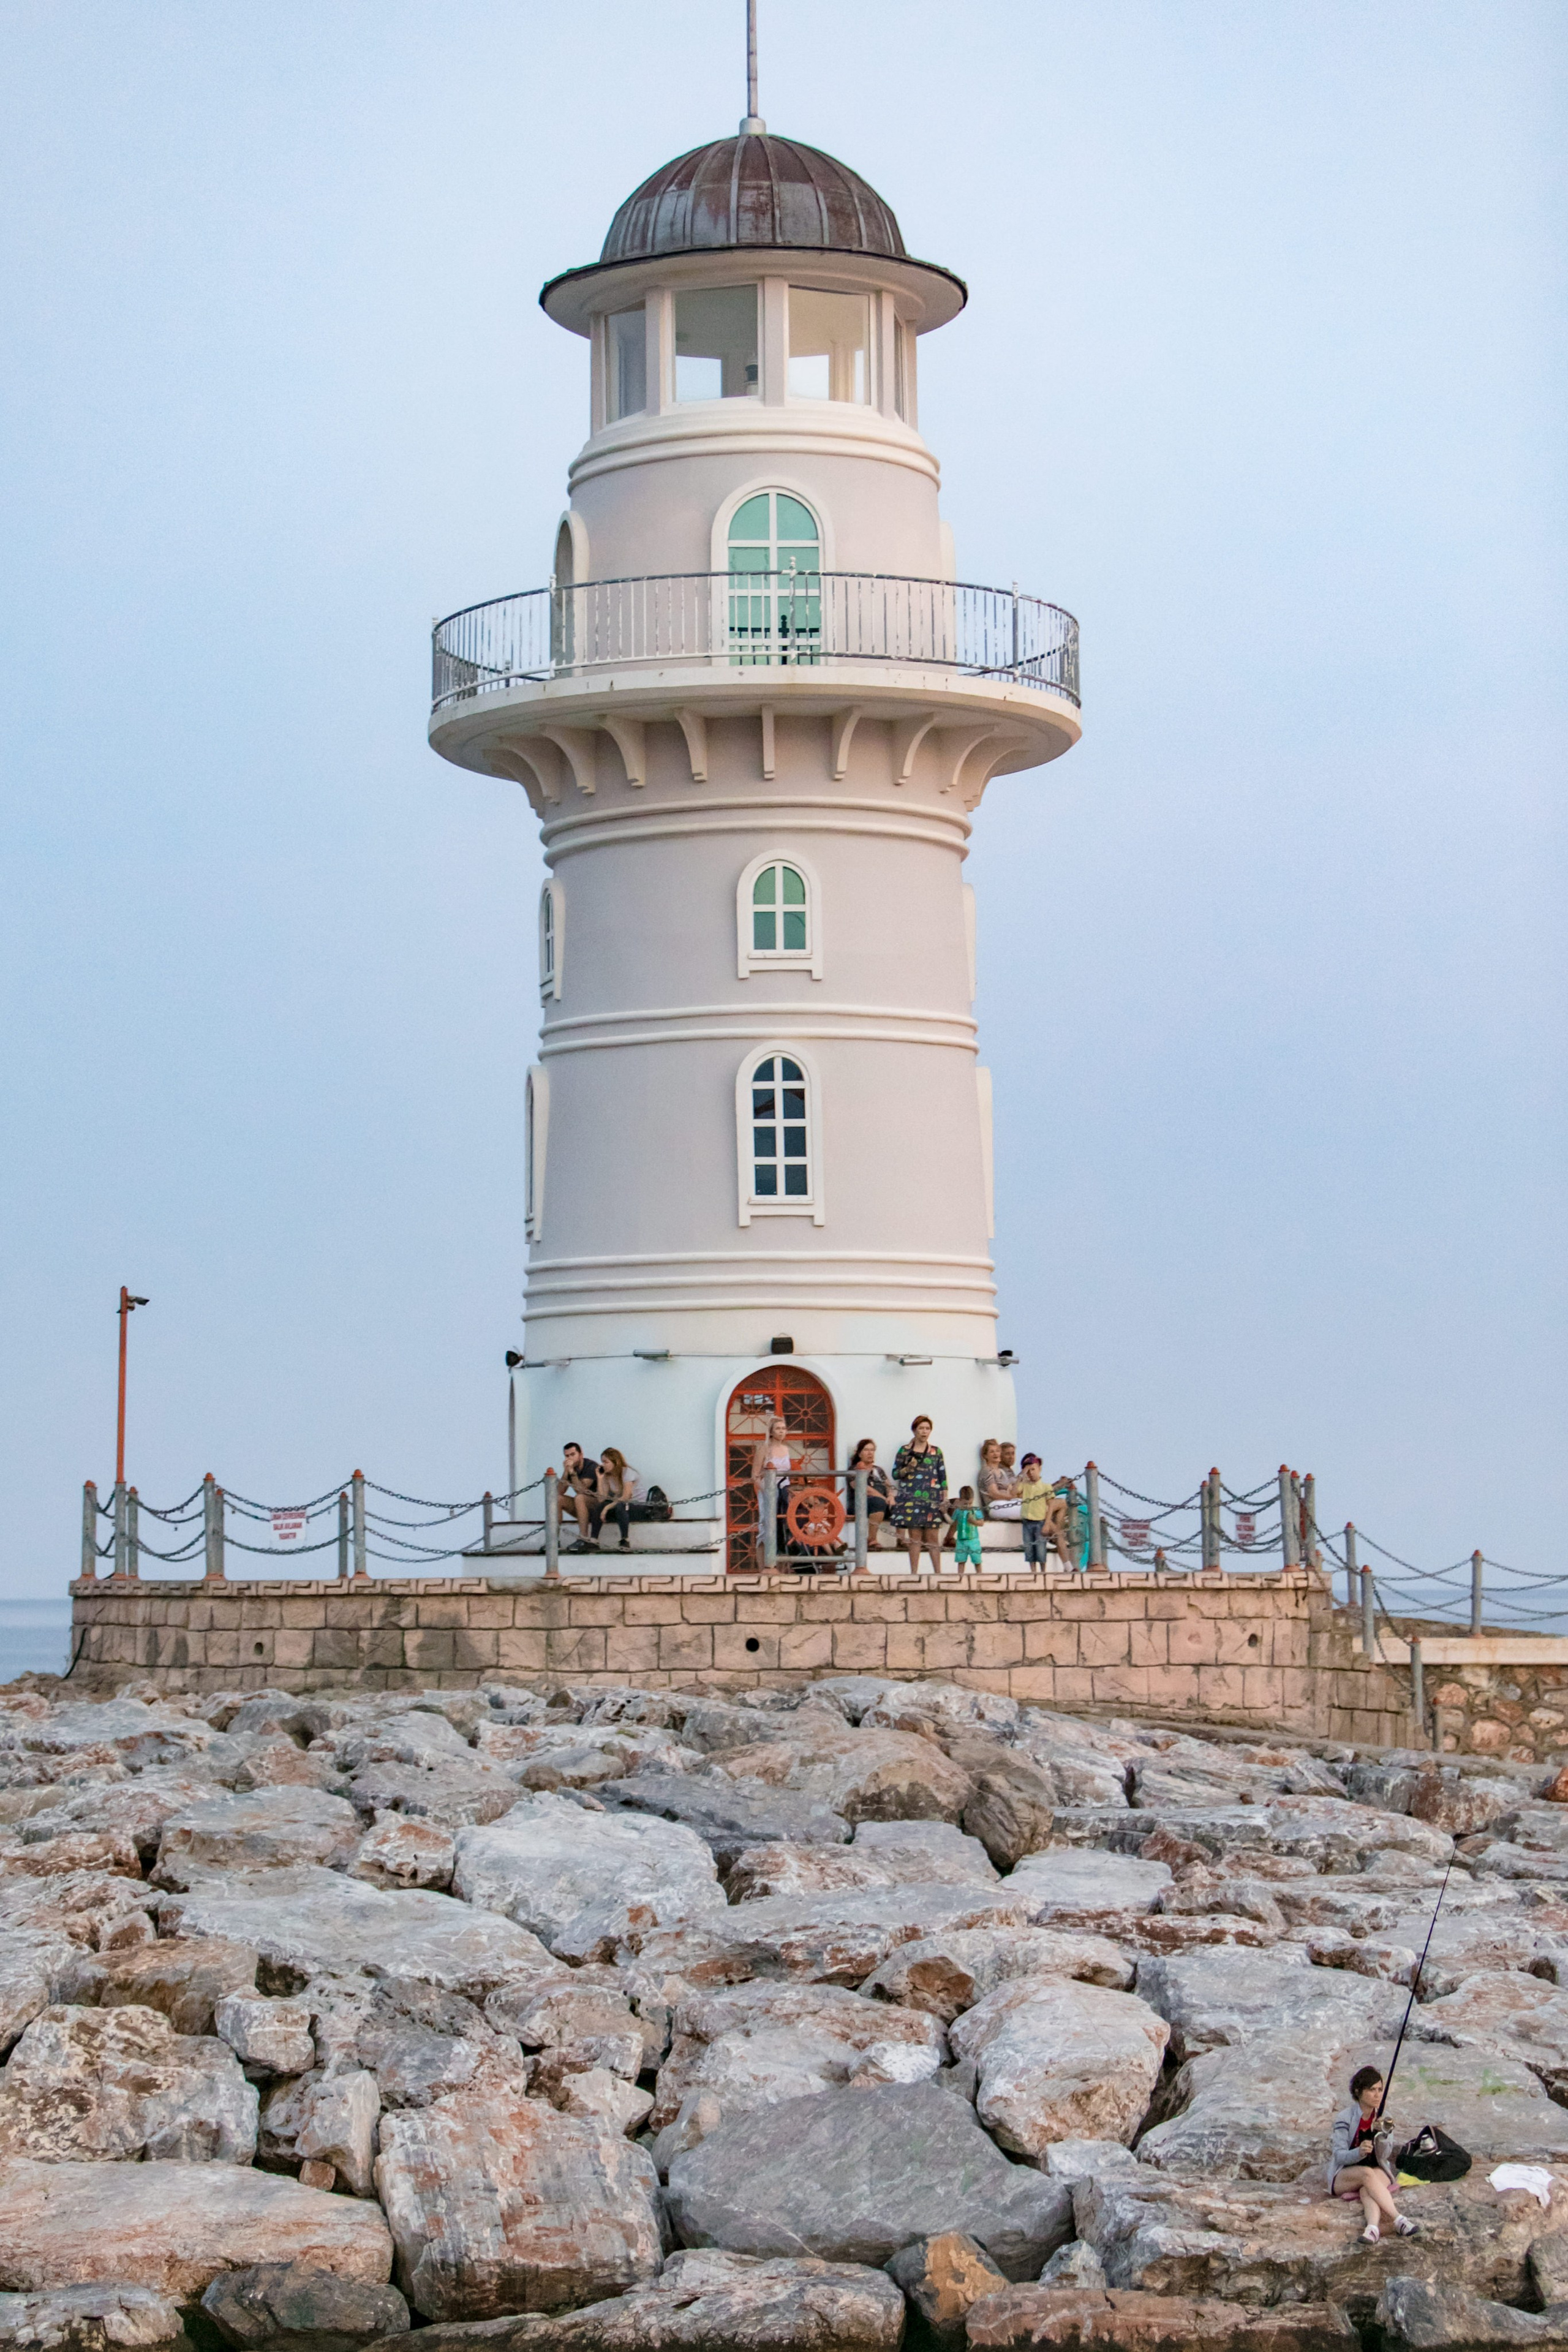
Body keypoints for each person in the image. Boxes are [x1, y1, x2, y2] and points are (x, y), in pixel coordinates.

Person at [1329, 2067, 1418, 2243]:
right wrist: (1358, 2152)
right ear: (1358, 2092)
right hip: (1346, 2175)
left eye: (1380, 2089)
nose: (1377, 2095)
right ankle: (1399, 2219)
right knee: (1366, 2174)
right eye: (1371, 2090)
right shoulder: (1344, 2118)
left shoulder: (1385, 2117)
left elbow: (1385, 2155)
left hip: (1376, 2170)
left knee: (1367, 2189)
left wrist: (1383, 2135)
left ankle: (1372, 2229)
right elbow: (1339, 2155)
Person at [891, 1416, 948, 1575]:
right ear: (914, 1430)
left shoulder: (936, 1451)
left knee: (933, 1537)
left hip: (932, 1498)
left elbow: (942, 1476)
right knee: (915, 1537)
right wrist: (908, 1468)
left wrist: (944, 1497)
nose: (924, 1432)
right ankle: (914, 1573)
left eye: (927, 1428)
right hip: (911, 1498)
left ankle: (938, 1573)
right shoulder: (904, 1451)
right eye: (921, 1428)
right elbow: (895, 1474)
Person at [752, 1415, 794, 1569]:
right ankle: (763, 1568)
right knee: (766, 1528)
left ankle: (781, 1568)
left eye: (784, 1428)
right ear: (771, 1432)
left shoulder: (786, 1449)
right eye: (778, 1429)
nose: (782, 1431)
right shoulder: (764, 1449)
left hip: (784, 1491)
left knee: (782, 1528)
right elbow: (755, 1475)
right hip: (768, 1491)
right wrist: (767, 1491)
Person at [848, 1438, 892, 1566]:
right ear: (860, 1453)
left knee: (900, 1506)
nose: (870, 1453)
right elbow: (862, 1488)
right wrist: (883, 1498)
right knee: (878, 1502)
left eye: (872, 1450)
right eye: (866, 1450)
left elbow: (888, 1486)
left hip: (882, 1502)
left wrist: (890, 1497)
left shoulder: (879, 1470)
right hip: (861, 1505)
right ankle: (872, 1539)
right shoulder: (854, 1469)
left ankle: (902, 1541)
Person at [595, 1446, 645, 1552]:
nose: (603, 1465)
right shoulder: (608, 1476)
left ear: (616, 1462)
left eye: (606, 1462)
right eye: (602, 1462)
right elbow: (601, 1499)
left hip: (639, 1507)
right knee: (600, 1506)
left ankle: (625, 1540)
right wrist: (600, 1479)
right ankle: (593, 1540)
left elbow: (626, 1497)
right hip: (623, 1509)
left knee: (620, 1505)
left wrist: (607, 1508)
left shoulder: (627, 1473)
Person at [559, 1442, 601, 1553]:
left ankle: (583, 1539)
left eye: (573, 1455)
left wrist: (572, 1473)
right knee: (558, 1499)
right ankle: (554, 1540)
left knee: (580, 1497)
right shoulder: (571, 1468)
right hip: (582, 1508)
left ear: (581, 1455)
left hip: (598, 1507)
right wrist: (566, 1472)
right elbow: (559, 1492)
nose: (570, 1458)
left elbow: (582, 1490)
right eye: (567, 1456)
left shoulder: (591, 1466)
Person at [979, 1439, 1020, 1520]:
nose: (996, 1454)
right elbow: (994, 1494)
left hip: (1007, 1503)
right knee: (1029, 1510)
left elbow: (1010, 1490)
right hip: (995, 1505)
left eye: (997, 1451)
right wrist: (1011, 1497)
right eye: (992, 1452)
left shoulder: (1002, 1472)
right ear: (986, 1456)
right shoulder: (987, 1471)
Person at [949, 1485, 984, 1569]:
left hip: (973, 1540)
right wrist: (945, 1513)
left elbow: (982, 1523)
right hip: (961, 1540)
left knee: (977, 1561)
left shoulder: (976, 1510)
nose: (968, 1506)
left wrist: (974, 1522)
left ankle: (979, 1575)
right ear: (960, 1500)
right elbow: (952, 1522)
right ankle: (960, 1576)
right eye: (965, 1504)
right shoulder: (958, 1511)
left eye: (970, 1503)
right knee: (961, 1561)